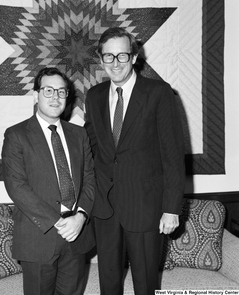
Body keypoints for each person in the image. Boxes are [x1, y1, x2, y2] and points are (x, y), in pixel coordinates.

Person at [84, 27, 186, 295]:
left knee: (145, 284)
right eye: (108, 56)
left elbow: (173, 156)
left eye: (122, 55)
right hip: (105, 208)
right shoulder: (94, 96)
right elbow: (91, 147)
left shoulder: (159, 93)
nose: (115, 63)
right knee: (108, 282)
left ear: (134, 56)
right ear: (101, 58)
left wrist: (172, 208)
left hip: (145, 207)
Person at [2, 67, 95, 295]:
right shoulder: (16, 135)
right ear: (36, 95)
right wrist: (57, 222)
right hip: (38, 236)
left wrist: (80, 217)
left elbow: (90, 179)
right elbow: (16, 186)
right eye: (48, 90)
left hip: (76, 234)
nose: (55, 97)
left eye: (61, 92)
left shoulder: (79, 134)